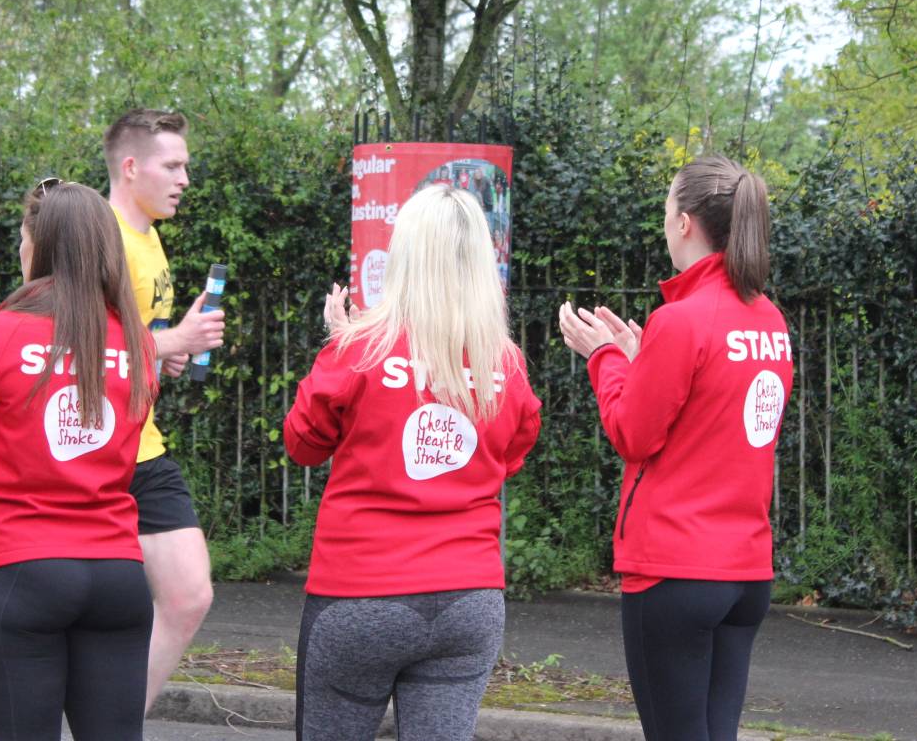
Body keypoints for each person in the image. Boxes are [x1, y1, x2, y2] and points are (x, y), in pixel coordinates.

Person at [285, 183, 543, 741]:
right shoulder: (506, 363)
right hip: (469, 597)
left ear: (404, 255)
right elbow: (508, 457)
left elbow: (303, 443)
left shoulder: (359, 349)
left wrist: (339, 343)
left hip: (360, 593)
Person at [558, 154, 792, 741]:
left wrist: (605, 358)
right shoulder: (770, 320)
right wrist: (644, 362)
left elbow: (632, 435)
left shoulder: (681, 320)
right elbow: (716, 413)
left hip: (676, 568)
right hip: (746, 570)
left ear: (685, 222)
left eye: (666, 210)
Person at [0, 181, 156, 741]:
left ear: (38, 247)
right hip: (116, 571)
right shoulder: (137, 341)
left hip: (18, 565)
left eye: (22, 238)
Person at [104, 109, 225, 709]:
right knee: (33, 601)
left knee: (187, 596)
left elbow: (133, 341)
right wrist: (174, 340)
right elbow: (73, 351)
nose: (184, 179)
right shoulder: (100, 238)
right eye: (173, 166)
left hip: (140, 443)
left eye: (186, 167)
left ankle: (119, 723)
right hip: (91, 449)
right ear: (131, 167)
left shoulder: (150, 237)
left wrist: (169, 349)